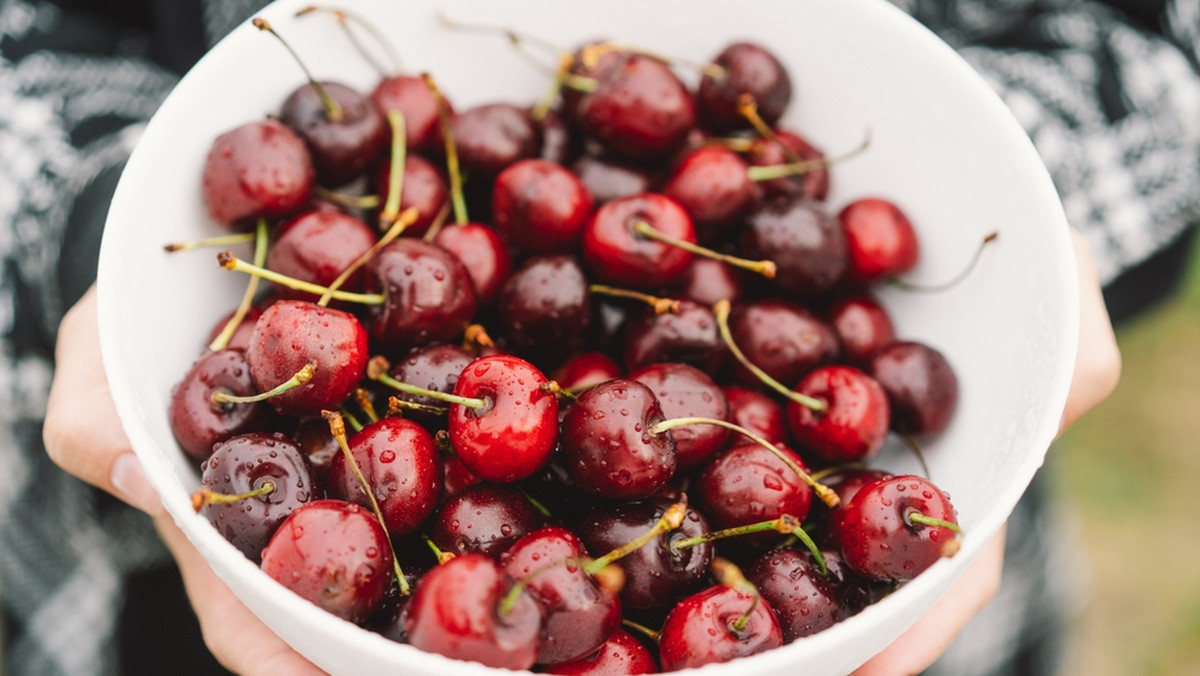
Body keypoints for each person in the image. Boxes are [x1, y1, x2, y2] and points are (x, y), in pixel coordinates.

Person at [1, 0, 1191, 674]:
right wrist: (83, 238)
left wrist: (1046, 203)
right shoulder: (363, 381)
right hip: (128, 610)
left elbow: (1150, 40)